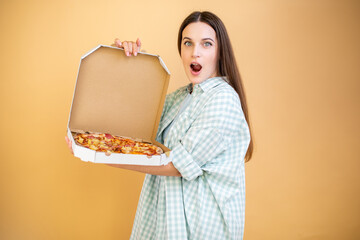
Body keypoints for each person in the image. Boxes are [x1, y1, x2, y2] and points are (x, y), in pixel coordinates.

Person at [66, 11, 253, 240]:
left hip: (200, 226)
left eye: (206, 44)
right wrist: (128, 64)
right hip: (165, 219)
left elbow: (177, 164)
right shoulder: (180, 98)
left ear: (220, 51)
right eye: (188, 43)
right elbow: (132, 127)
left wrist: (102, 156)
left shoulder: (223, 99)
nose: (195, 52)